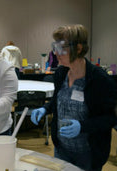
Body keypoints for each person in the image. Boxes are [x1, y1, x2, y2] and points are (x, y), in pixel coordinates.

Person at [31, 24, 117, 171]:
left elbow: (110, 118)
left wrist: (82, 127)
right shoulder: (61, 73)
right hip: (62, 149)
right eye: (54, 47)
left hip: (88, 154)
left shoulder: (99, 79)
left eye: (61, 48)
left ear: (78, 49)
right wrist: (45, 108)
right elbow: (58, 100)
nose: (55, 53)